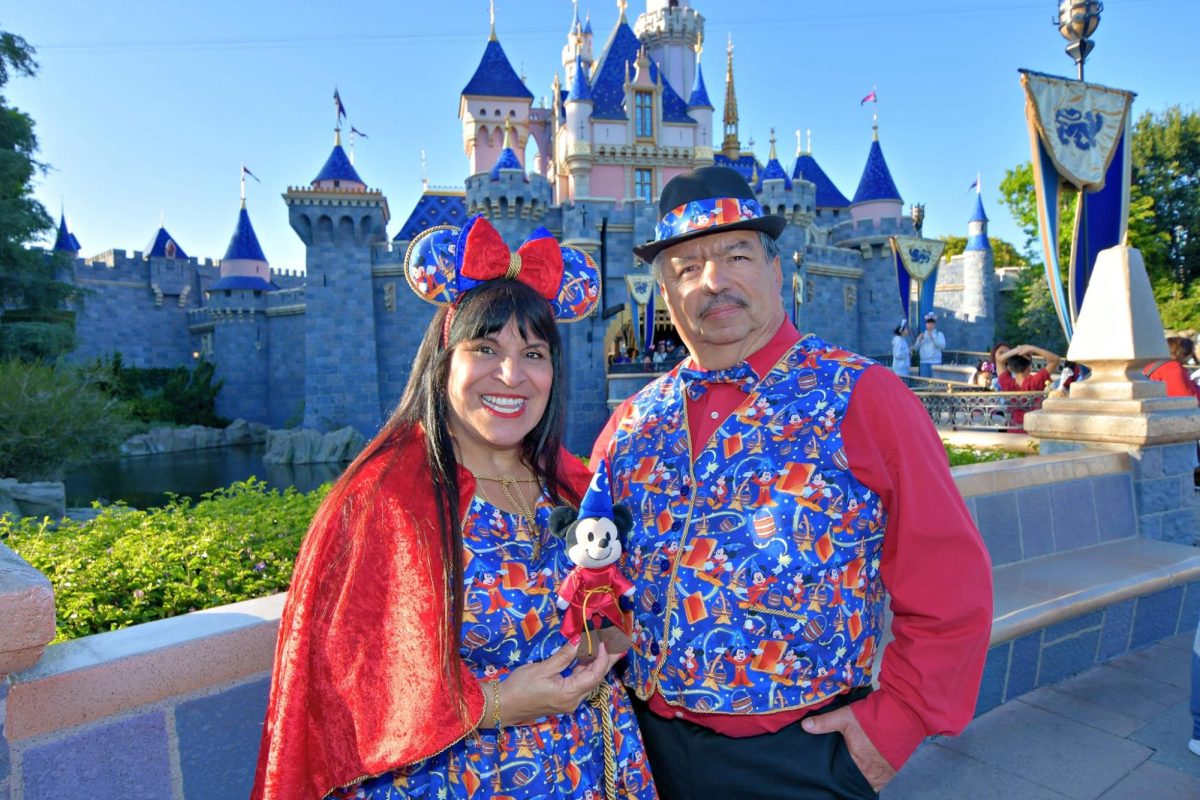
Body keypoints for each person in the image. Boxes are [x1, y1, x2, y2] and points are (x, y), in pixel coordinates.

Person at [591, 166, 992, 799]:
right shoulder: (632, 422)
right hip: (646, 749)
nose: (712, 281)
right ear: (663, 291)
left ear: (778, 271)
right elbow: (596, 570)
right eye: (685, 268)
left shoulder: (865, 397)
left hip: (801, 758)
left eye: (736, 254)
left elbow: (950, 584)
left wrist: (895, 726)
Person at [252, 216, 656, 800]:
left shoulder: (570, 486)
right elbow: (350, 686)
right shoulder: (384, 499)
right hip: (456, 779)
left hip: (590, 767)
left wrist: (609, 628)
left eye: (534, 352)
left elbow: (602, 623)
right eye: (486, 348)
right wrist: (495, 704)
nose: (512, 375)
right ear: (446, 361)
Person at [996, 343, 1061, 431]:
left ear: (1010, 368)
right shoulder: (1036, 381)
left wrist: (1016, 351)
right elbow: (1055, 360)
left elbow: (999, 359)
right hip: (1033, 430)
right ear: (1029, 367)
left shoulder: (1007, 383)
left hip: (1013, 431)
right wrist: (1031, 348)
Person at [1143, 336, 1200, 402]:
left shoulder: (1152, 365)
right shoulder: (1174, 368)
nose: (1192, 357)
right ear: (1184, 353)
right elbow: (1187, 397)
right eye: (1192, 354)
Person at [914, 311, 945, 377]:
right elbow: (916, 348)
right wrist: (919, 340)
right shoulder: (922, 335)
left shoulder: (939, 334)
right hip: (924, 362)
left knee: (935, 383)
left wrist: (933, 338)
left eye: (932, 323)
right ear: (926, 324)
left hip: (935, 362)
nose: (930, 325)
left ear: (934, 324)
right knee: (924, 382)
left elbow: (943, 346)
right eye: (928, 323)